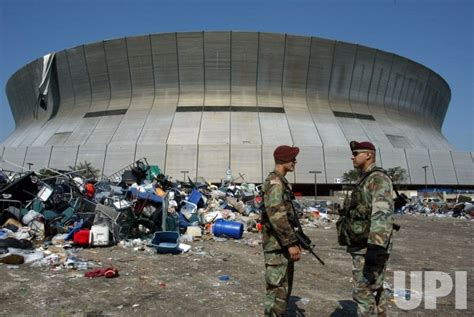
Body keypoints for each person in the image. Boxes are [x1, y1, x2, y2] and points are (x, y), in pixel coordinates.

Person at [341, 141, 394, 317]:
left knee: (362, 291)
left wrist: (375, 246)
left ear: (369, 155)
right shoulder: (366, 179)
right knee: (374, 288)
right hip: (363, 243)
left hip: (369, 246)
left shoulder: (378, 179)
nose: (352, 157)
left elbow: (382, 214)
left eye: (356, 153)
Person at [261, 145, 302, 316]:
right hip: (277, 246)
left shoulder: (282, 182)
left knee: (282, 290)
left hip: (281, 245)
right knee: (277, 291)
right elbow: (277, 217)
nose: (295, 162)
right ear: (283, 160)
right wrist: (291, 243)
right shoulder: (275, 183)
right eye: (292, 158)